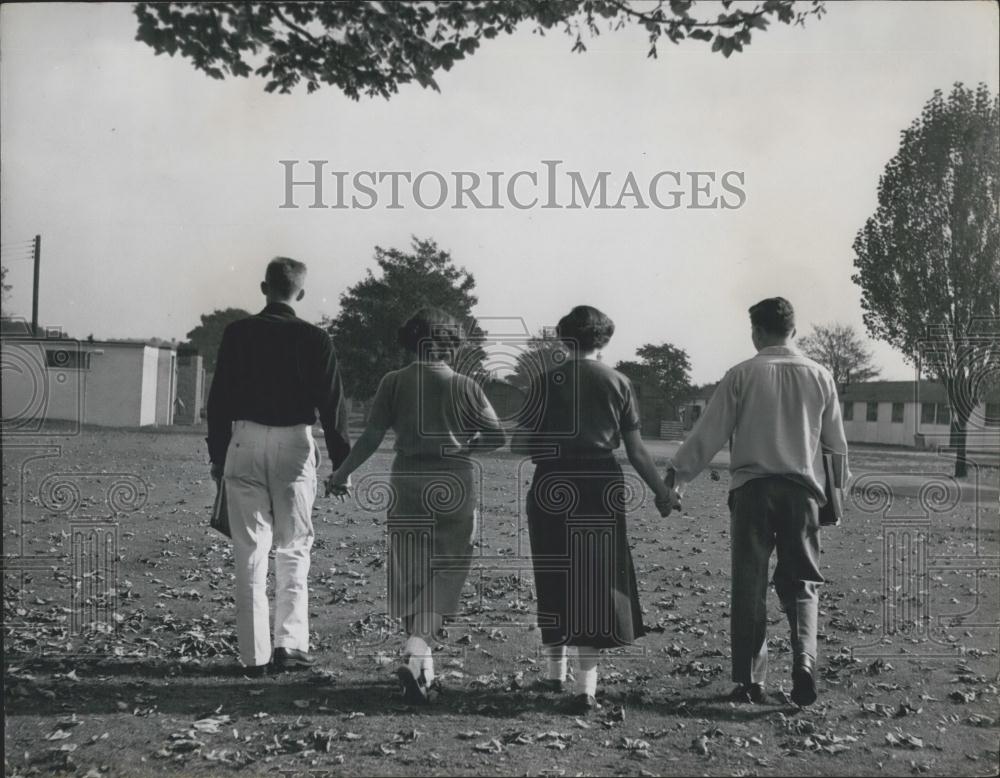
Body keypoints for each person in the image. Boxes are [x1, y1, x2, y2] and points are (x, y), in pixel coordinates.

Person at [663, 297, 849, 706]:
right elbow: (836, 447)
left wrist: (677, 477)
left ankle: (750, 680)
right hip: (802, 492)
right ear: (794, 330)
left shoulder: (742, 374)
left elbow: (708, 433)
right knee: (802, 582)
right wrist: (838, 497)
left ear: (757, 332)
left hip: (752, 491)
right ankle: (805, 660)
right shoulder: (821, 375)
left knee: (750, 584)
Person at [327, 307, 506, 704]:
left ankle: (421, 668)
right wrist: (465, 446)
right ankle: (418, 655)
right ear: (449, 344)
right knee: (449, 567)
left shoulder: (393, 382)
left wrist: (340, 473)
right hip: (453, 480)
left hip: (406, 479)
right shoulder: (465, 385)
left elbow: (371, 436)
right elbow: (496, 435)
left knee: (411, 570)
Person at [511, 305, 674, 713]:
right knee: (592, 578)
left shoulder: (544, 383)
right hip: (600, 483)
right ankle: (586, 686)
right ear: (604, 340)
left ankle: (553, 671)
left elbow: (518, 445)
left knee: (551, 570)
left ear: (564, 339)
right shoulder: (618, 382)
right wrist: (661, 493)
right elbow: (636, 451)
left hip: (551, 480)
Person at [207, 257, 351, 677]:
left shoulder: (237, 333)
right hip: (294, 443)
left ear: (263, 286)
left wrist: (218, 455)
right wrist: (341, 466)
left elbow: (218, 401)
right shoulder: (315, 338)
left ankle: (254, 656)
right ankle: (290, 643)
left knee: (250, 549)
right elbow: (333, 406)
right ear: (300, 293)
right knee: (293, 546)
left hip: (245, 439)